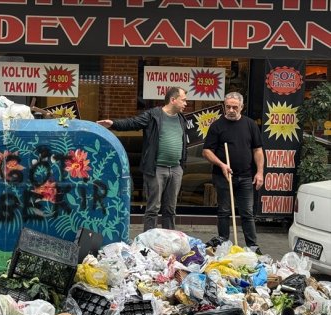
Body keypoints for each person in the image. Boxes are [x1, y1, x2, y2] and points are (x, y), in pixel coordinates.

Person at [96, 86, 189, 231]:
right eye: (183, 100)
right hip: (156, 168)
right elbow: (133, 122)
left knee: (170, 209)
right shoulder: (153, 115)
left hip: (176, 168)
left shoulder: (182, 119)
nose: (186, 103)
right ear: (173, 99)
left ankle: (170, 240)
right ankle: (149, 241)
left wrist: (182, 165)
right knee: (153, 208)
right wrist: (113, 124)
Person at [202, 92, 264, 252]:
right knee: (224, 210)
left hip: (246, 176)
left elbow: (257, 150)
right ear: (224, 106)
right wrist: (222, 164)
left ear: (241, 107)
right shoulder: (217, 126)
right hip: (223, 176)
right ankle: (223, 241)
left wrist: (260, 172)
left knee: (247, 212)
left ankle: (252, 246)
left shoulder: (250, 125)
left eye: (234, 107)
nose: (231, 110)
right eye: (228, 106)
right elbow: (207, 151)